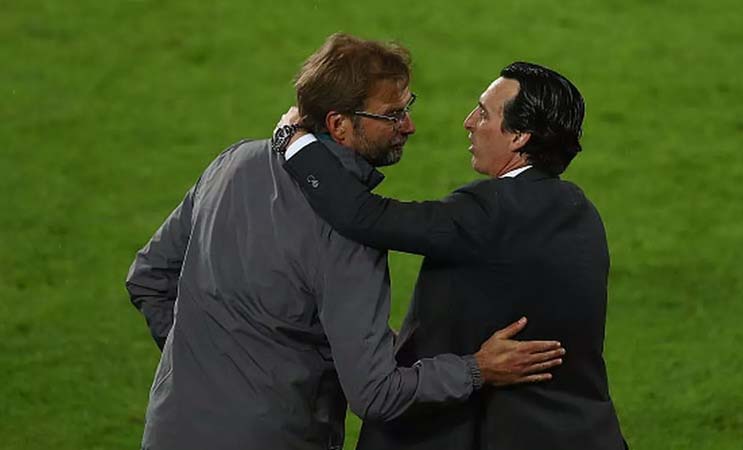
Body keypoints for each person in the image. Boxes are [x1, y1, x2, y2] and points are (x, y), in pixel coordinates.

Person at [125, 34, 565, 450]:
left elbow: (147, 278)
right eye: (392, 115)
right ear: (339, 124)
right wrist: (477, 369)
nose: (408, 126)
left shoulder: (232, 164)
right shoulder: (349, 236)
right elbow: (376, 393)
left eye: (406, 107)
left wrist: (206, 373)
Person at [281, 62, 628, 449]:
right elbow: (496, 298)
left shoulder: (494, 209)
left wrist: (295, 141)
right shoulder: (580, 211)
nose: (468, 122)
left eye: (483, 113)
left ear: (519, 137)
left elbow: (364, 217)